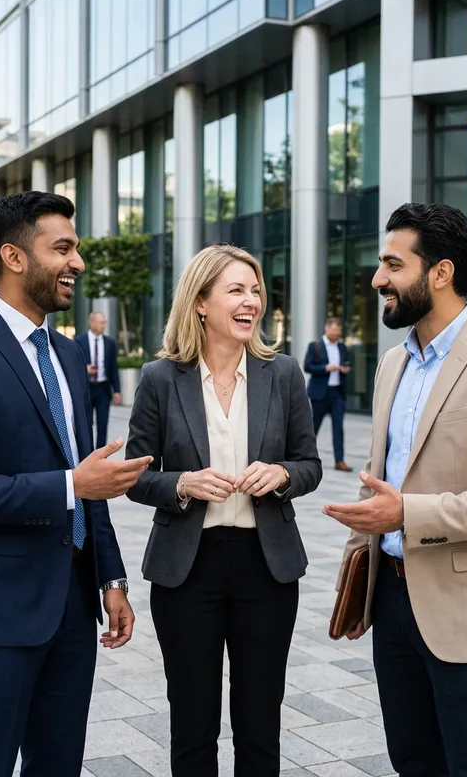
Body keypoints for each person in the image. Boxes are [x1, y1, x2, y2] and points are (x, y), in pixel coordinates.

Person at [0, 191, 152, 777]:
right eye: (63, 249)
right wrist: (73, 483)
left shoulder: (68, 357)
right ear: (14, 257)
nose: (78, 263)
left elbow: (84, 477)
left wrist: (110, 577)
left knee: (59, 765)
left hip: (72, 608)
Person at [325, 203, 467, 777]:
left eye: (392, 264)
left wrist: (406, 511)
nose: (378, 279)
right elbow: (387, 481)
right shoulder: (392, 365)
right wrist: (362, 565)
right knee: (414, 762)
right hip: (394, 601)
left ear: (441, 272)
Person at [124, 243, 322, 776]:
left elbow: (310, 464)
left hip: (267, 566)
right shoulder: (161, 379)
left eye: (255, 290)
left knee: (260, 723)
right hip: (187, 570)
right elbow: (135, 477)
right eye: (236, 289)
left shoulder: (282, 374)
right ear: (200, 303)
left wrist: (281, 474)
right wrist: (183, 483)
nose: (251, 301)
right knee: (192, 724)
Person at [304, 317, 352, 472]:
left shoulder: (342, 347)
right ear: (327, 328)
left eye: (339, 331)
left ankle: (339, 461)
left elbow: (347, 362)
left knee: (338, 428)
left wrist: (345, 369)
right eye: (334, 330)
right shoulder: (315, 346)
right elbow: (307, 366)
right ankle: (304, 458)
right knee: (313, 427)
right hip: (319, 394)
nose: (337, 333)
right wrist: (326, 368)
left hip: (337, 393)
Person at [74, 312, 120, 448]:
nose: (103, 326)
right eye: (101, 323)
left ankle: (101, 456)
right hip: (86, 389)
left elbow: (113, 368)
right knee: (85, 424)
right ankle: (87, 454)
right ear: (91, 323)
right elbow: (72, 366)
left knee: (103, 424)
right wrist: (84, 369)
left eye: (104, 323)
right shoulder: (78, 341)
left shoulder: (109, 343)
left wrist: (117, 390)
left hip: (103, 389)